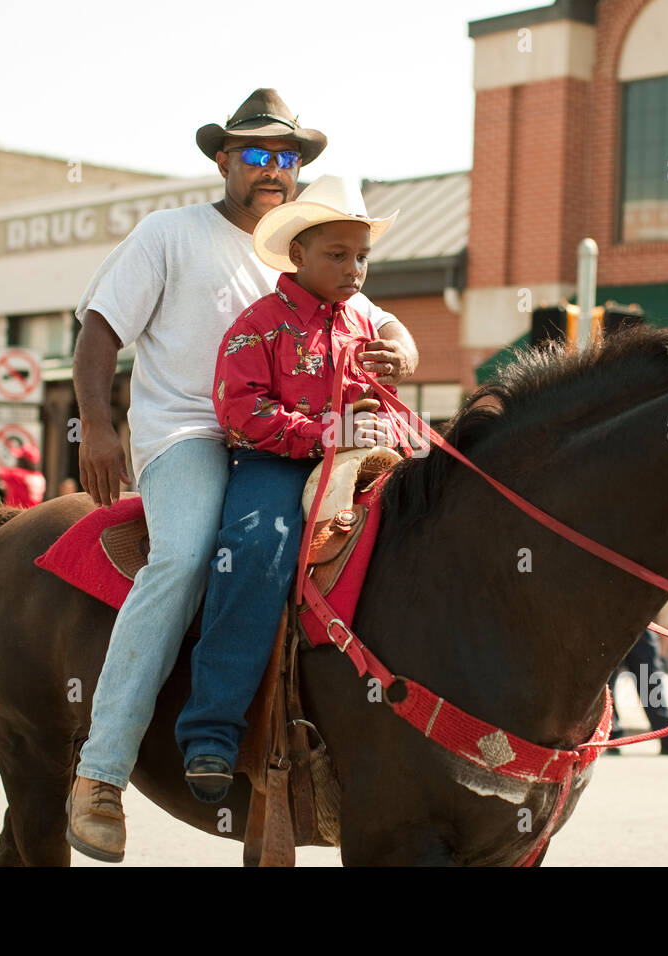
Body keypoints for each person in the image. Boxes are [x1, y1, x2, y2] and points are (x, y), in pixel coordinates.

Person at [66, 88, 420, 863]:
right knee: (190, 554)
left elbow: (379, 318)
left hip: (293, 444)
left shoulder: (319, 247)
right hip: (190, 433)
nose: (272, 168)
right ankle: (100, 773)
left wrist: (404, 348)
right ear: (223, 160)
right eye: (255, 154)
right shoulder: (170, 234)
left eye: (286, 157)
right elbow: (100, 329)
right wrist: (95, 422)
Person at [177, 175, 400, 801]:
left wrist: (378, 415)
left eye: (361, 256)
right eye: (338, 254)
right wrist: (329, 432)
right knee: (255, 549)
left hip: (359, 459)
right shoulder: (259, 326)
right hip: (273, 465)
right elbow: (240, 412)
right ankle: (211, 732)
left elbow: (373, 399)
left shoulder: (362, 325)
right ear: (297, 254)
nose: (354, 269)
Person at [605, 629, 668, 757]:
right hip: (606, 626)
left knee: (651, 682)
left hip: (638, 626)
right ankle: (611, 737)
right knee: (606, 686)